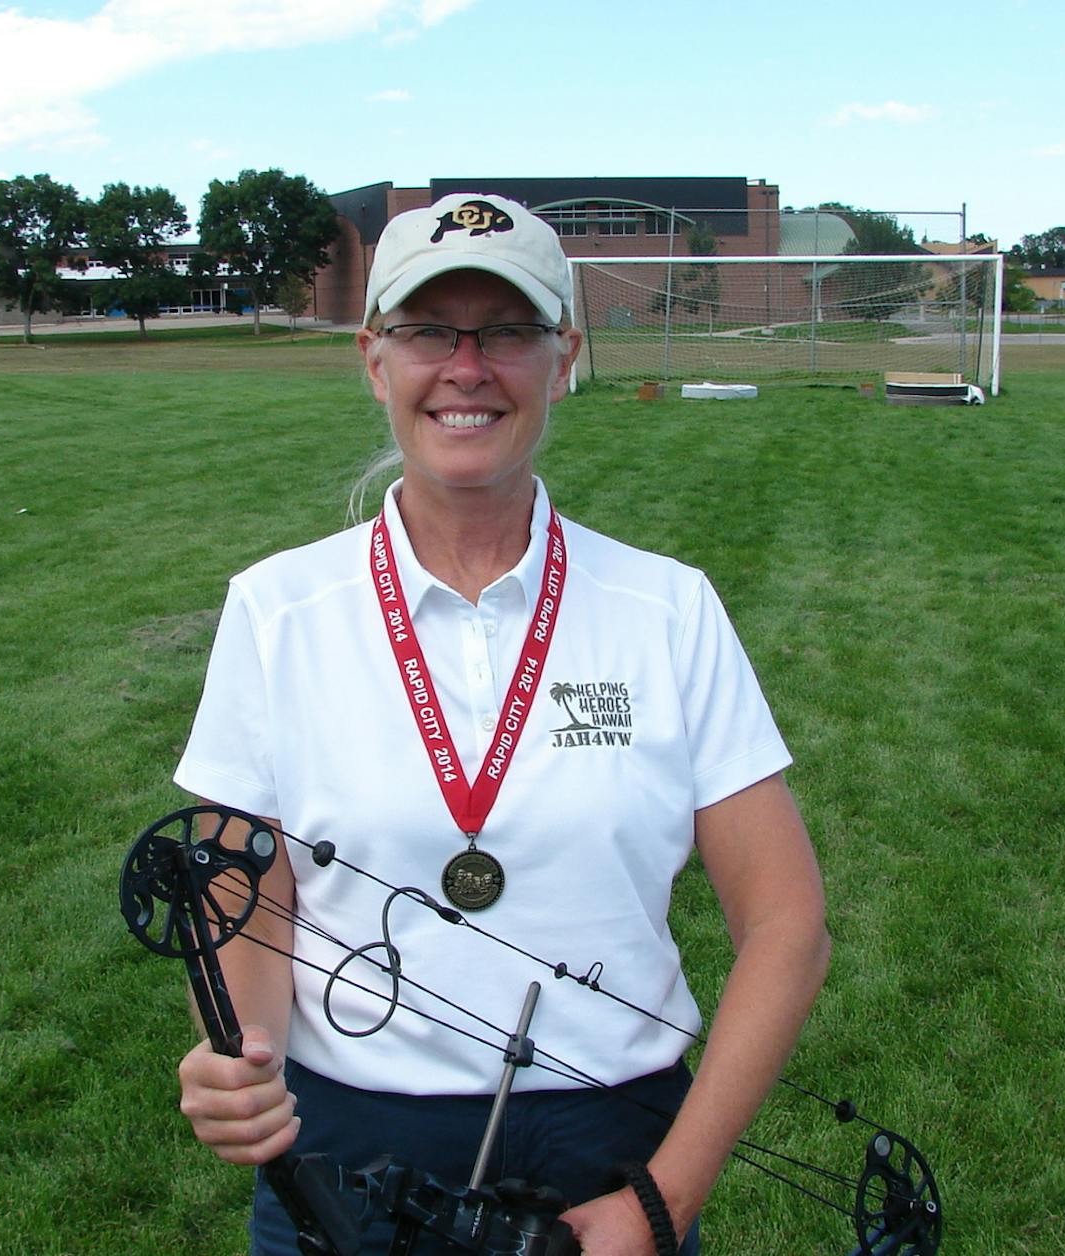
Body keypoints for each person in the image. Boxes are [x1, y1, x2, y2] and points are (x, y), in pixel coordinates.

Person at [173, 192, 829, 1256]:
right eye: (430, 329)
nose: (466, 366)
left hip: (614, 1147)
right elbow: (242, 889)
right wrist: (237, 1049)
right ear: (374, 359)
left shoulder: (667, 608)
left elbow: (788, 924)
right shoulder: (275, 609)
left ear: (565, 355)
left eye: (508, 330)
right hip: (346, 1155)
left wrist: (662, 1200)